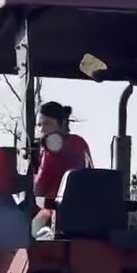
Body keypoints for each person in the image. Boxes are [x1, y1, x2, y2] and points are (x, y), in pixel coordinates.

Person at [31, 100, 92, 235]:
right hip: (86, 210)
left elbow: (39, 188)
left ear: (62, 123)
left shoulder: (51, 149)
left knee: (30, 229)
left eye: (47, 123)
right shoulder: (80, 142)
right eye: (39, 125)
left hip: (56, 211)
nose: (42, 129)